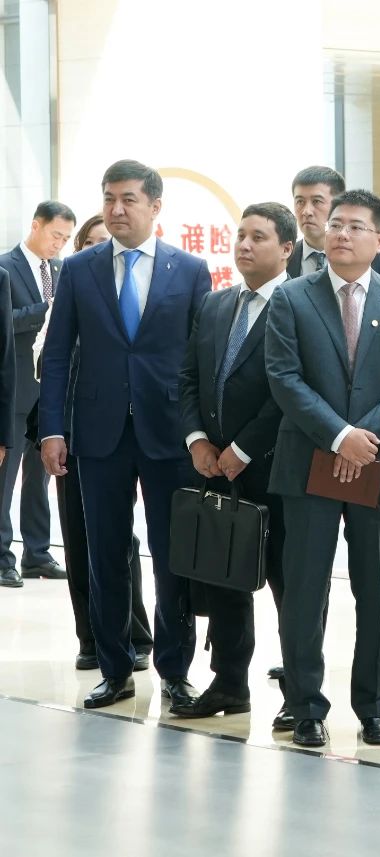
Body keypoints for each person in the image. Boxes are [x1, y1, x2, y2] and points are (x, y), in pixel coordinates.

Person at [40, 159, 211, 710]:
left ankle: (175, 672)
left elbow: (202, 361)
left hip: (171, 434)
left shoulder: (190, 271)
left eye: (128, 199)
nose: (115, 209)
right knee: (105, 555)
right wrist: (51, 429)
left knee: (174, 558)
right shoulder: (79, 269)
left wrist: (203, 433)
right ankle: (115, 670)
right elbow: (58, 355)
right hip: (98, 436)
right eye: (108, 198)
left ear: (155, 206)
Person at [265, 189, 380, 748]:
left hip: (375, 463)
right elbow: (284, 378)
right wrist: (339, 436)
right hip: (309, 460)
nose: (341, 233)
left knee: (377, 592)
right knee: (304, 590)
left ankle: (374, 706)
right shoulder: (292, 297)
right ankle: (305, 707)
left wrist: (364, 438)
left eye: (356, 226)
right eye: (336, 224)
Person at [171, 203, 295, 725]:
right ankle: (228, 684)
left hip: (276, 468)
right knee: (223, 575)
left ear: (286, 249)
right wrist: (198, 440)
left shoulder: (300, 305)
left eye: (258, 237)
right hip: (215, 466)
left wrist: (242, 450)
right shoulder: (217, 303)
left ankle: (299, 693)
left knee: (290, 585)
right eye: (240, 235)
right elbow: (189, 378)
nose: (244, 245)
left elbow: (288, 392)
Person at [29, 215, 153, 665]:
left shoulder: (143, 292)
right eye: (94, 244)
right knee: (81, 539)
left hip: (136, 430)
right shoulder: (72, 293)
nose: (106, 250)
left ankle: (136, 635)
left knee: (123, 542)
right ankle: (92, 638)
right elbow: (47, 360)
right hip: (76, 432)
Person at [0, 202, 74, 586]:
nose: (59, 244)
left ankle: (38, 554)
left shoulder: (61, 270)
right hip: (15, 391)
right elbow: (4, 322)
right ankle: (2, 557)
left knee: (39, 478)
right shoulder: (5, 266)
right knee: (5, 479)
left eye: (65, 238)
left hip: (49, 393)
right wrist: (43, 310)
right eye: (55, 235)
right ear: (35, 226)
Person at [286, 166, 380, 281]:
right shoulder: (285, 254)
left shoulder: (375, 254)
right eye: (300, 202)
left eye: (316, 201)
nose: (306, 211)